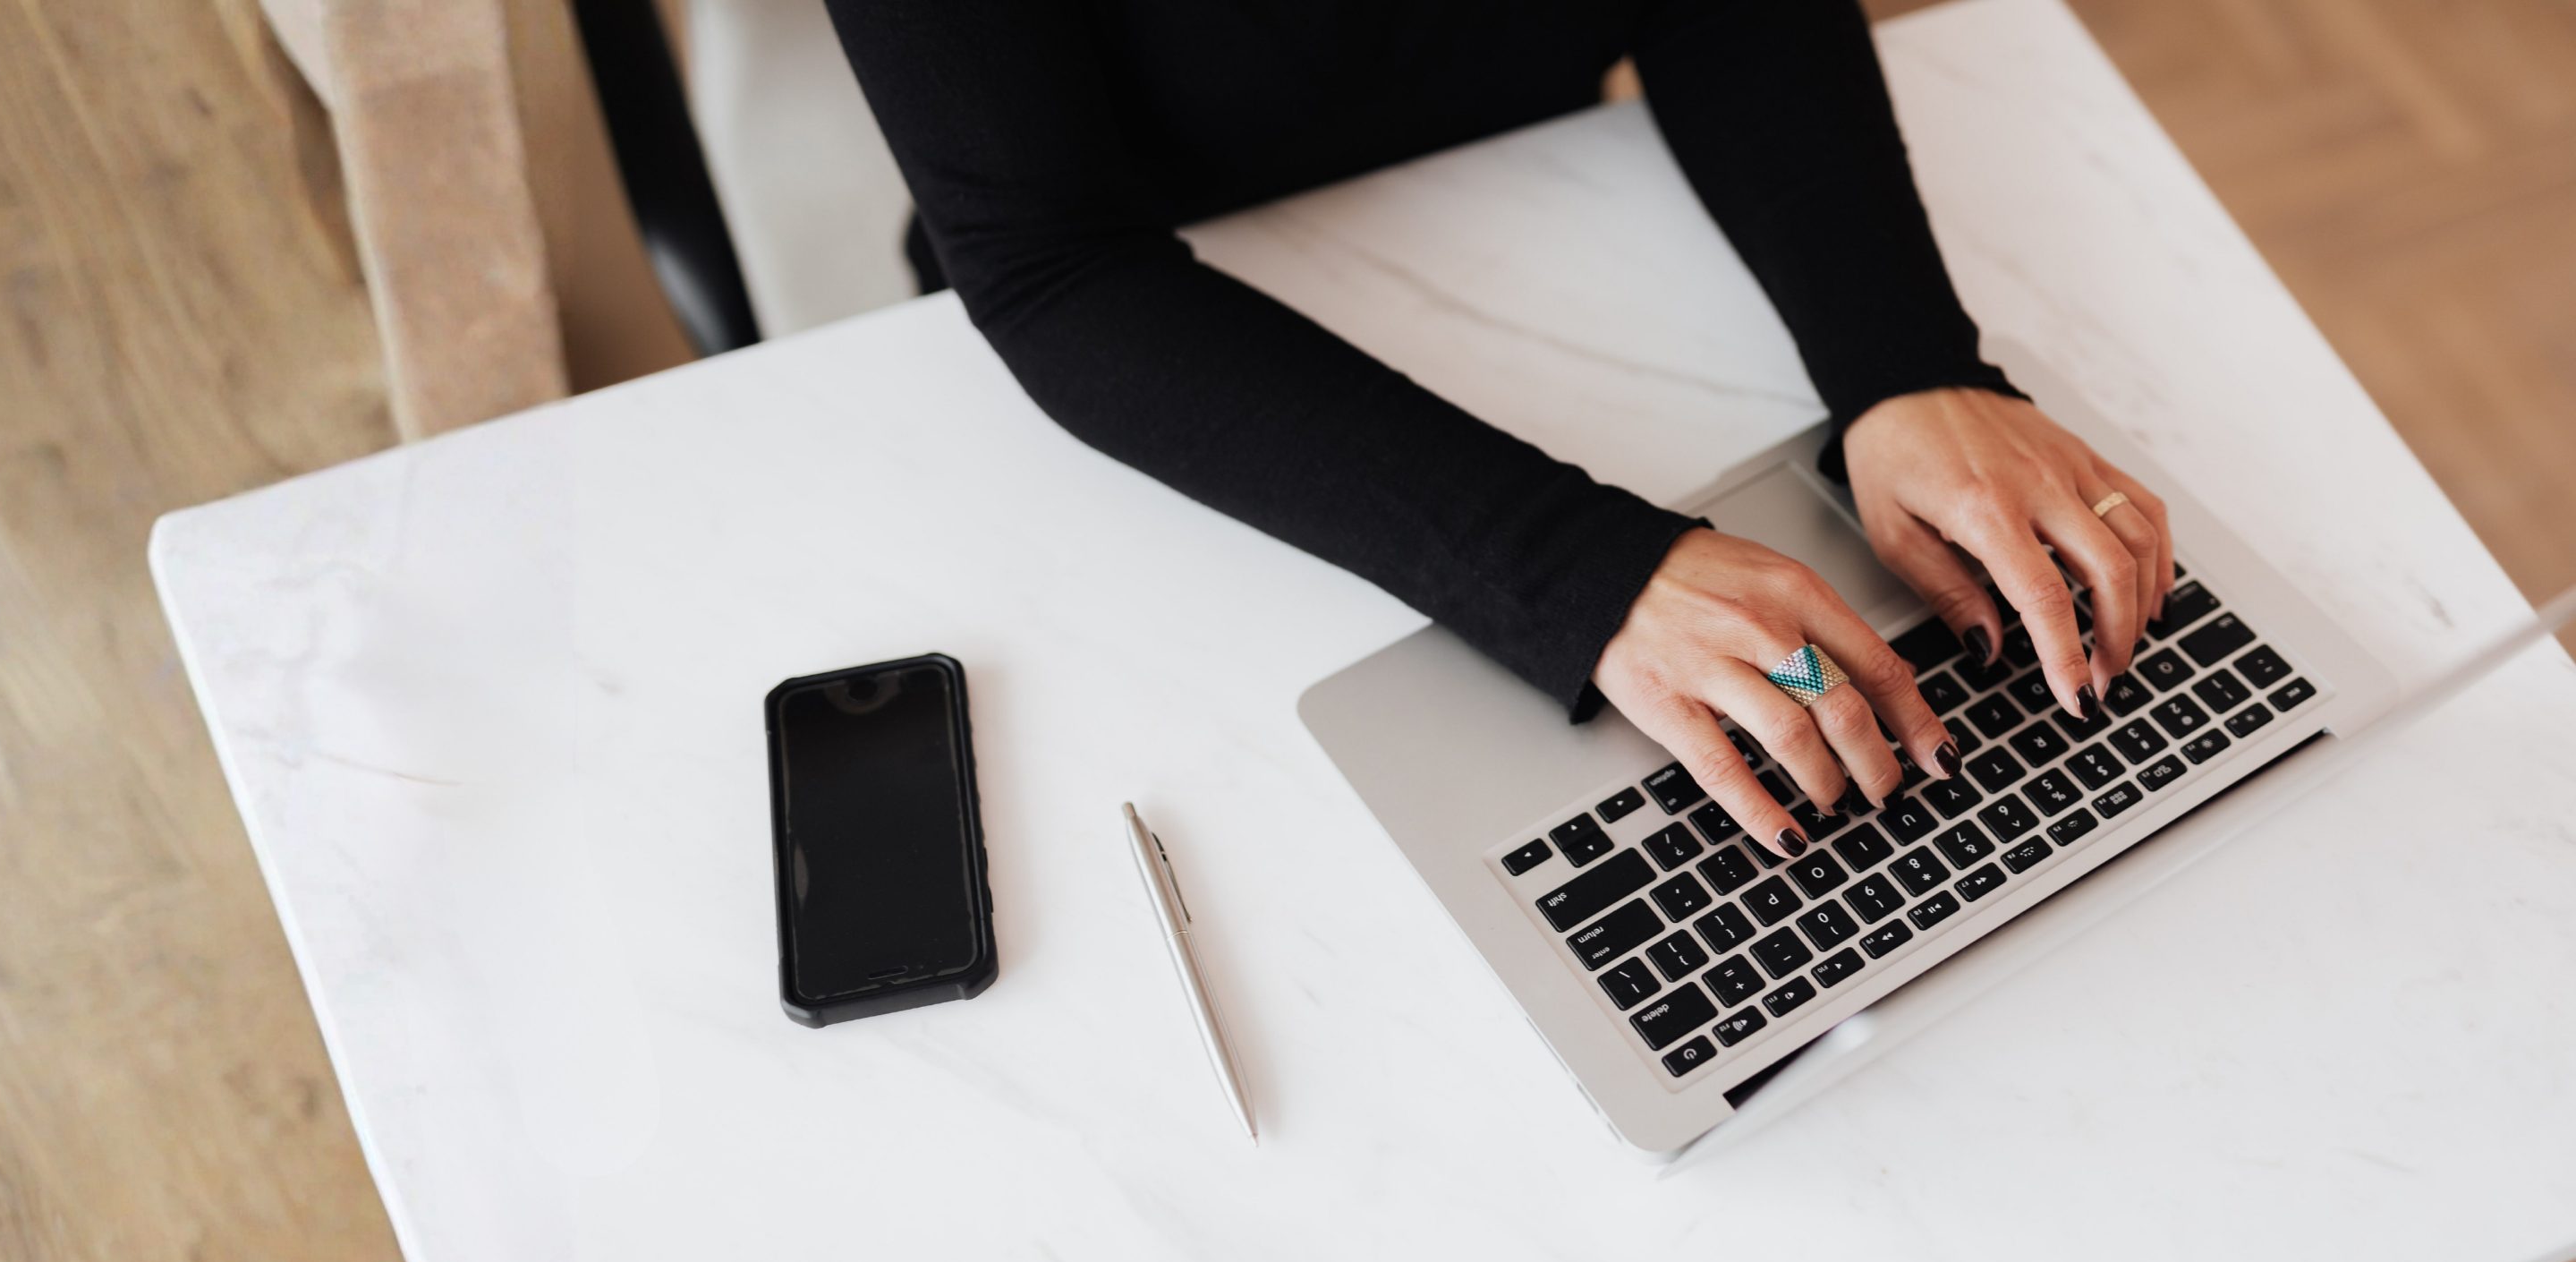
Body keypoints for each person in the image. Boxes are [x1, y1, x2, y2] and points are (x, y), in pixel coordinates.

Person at [825, 0, 2173, 859]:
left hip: (1536, 194)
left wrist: (1905, 366)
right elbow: (1053, 268)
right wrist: (1588, 574)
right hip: (1166, 361)